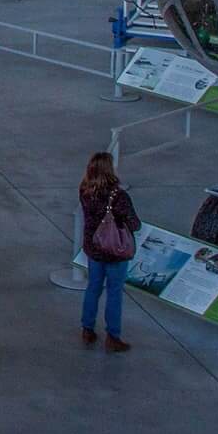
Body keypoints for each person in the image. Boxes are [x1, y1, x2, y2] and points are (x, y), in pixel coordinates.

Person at [78, 150, 142, 352]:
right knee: (114, 292)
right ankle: (113, 336)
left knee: (93, 288)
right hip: (115, 252)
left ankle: (87, 329)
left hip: (94, 248)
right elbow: (134, 223)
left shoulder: (85, 190)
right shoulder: (119, 196)